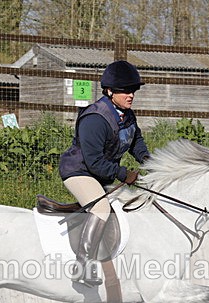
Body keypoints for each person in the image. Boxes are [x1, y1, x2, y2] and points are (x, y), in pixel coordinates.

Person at [58, 60, 151, 286]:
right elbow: (94, 161)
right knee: (100, 207)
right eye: (126, 91)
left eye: (133, 90)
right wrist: (122, 173)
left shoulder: (128, 116)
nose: (131, 95)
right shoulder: (95, 118)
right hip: (79, 171)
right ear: (109, 91)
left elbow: (136, 142)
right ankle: (82, 266)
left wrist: (150, 162)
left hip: (101, 174)